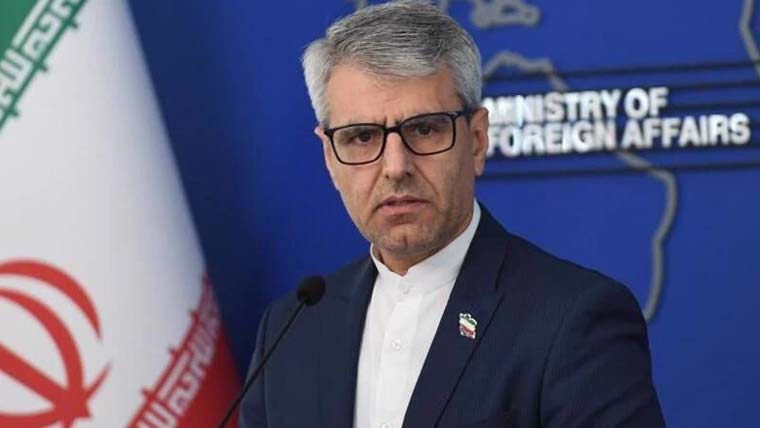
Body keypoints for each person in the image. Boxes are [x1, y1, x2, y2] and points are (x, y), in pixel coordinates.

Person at [240, 1, 665, 427]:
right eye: (362, 136)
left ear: (477, 140)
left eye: (424, 129)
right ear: (330, 158)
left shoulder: (573, 320)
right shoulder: (290, 328)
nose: (395, 167)